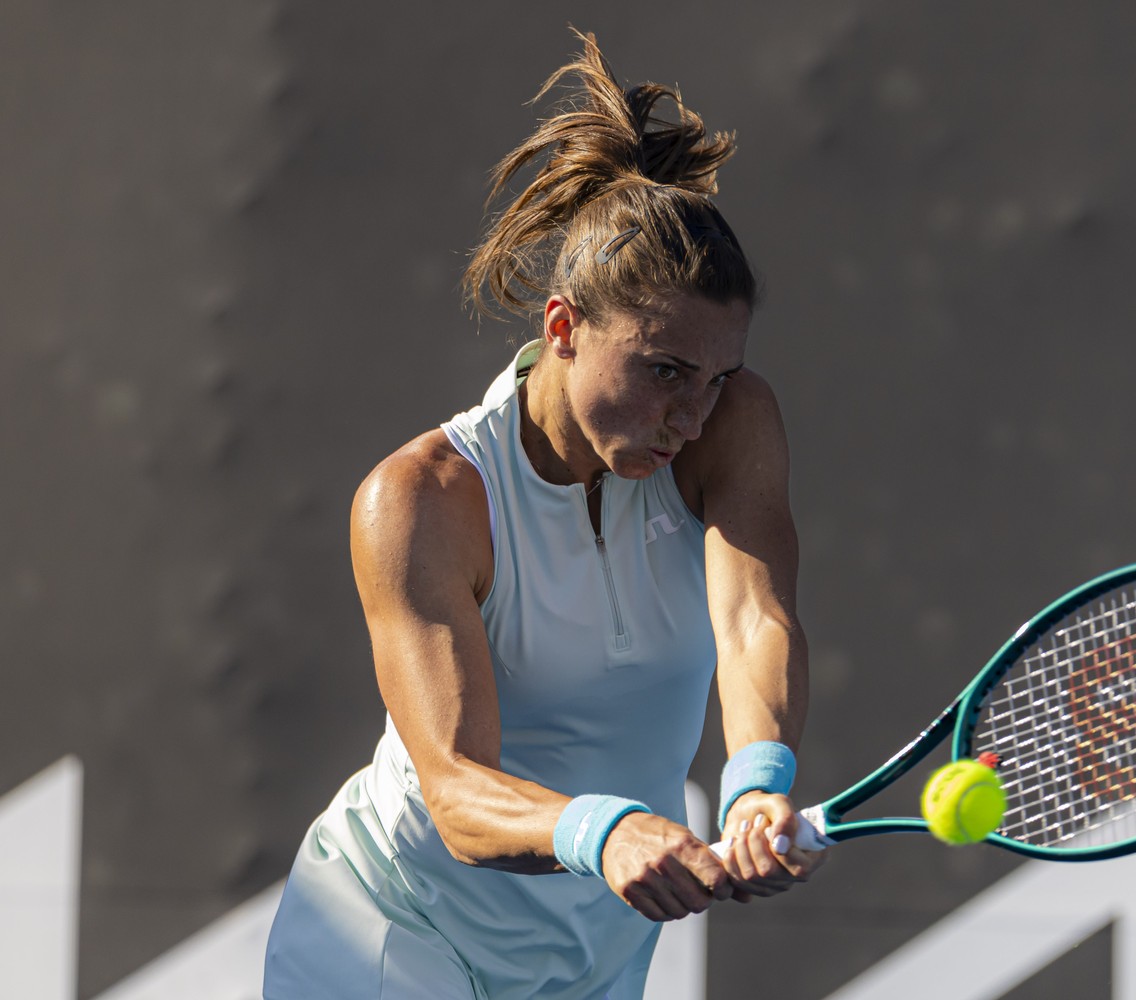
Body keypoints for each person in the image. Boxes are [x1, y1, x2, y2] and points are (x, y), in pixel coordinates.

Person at [263, 30, 825, 1000]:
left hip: (589, 954)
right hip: (389, 935)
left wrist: (757, 782)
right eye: (663, 371)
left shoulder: (729, 427)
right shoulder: (424, 496)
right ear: (562, 328)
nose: (689, 413)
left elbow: (752, 620)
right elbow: (454, 794)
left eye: (716, 376)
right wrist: (607, 830)